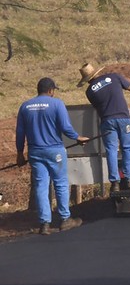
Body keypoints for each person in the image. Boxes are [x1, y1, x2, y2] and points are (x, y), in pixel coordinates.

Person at [16, 78, 90, 234]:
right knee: (60, 183)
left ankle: (44, 224)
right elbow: (65, 127)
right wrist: (77, 137)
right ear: (50, 90)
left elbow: (20, 132)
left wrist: (19, 153)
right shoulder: (57, 104)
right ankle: (65, 219)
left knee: (41, 186)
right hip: (54, 150)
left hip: (35, 152)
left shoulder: (25, 106)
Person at [78, 63, 130, 192]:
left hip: (107, 122)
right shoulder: (114, 77)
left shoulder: (89, 92)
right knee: (127, 147)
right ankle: (129, 179)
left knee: (111, 150)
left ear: (87, 80)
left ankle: (115, 183)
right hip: (123, 119)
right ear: (97, 72)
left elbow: (99, 108)